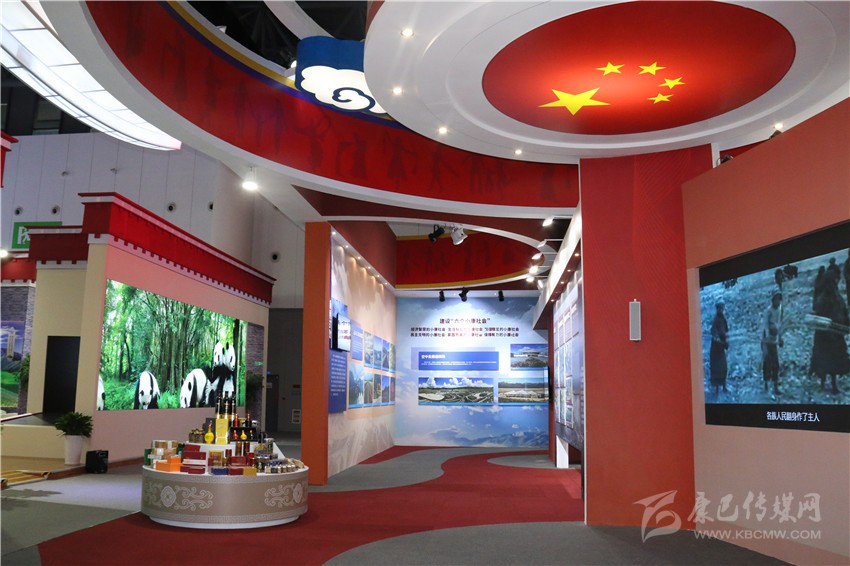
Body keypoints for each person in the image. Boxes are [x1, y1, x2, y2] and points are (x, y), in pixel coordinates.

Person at [810, 269, 850, 394]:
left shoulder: (837, 297)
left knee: (835, 359)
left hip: (837, 334)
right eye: (831, 282)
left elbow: (844, 311)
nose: (833, 285)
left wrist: (846, 323)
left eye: (834, 282)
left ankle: (834, 384)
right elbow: (819, 316)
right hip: (824, 336)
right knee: (824, 359)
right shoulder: (822, 299)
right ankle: (823, 382)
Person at [762, 290, 784, 395]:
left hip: (774, 338)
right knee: (767, 362)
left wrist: (780, 338)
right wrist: (767, 339)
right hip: (767, 339)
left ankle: (775, 386)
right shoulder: (768, 311)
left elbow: (779, 324)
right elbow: (765, 326)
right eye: (776, 299)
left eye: (779, 299)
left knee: (775, 363)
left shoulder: (779, 309)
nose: (778, 301)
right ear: (773, 300)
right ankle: (766, 384)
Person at [709, 301, 729, 393]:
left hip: (721, 346)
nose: (720, 310)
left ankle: (724, 386)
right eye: (719, 308)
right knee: (716, 368)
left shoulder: (723, 319)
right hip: (716, 348)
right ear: (717, 309)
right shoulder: (715, 320)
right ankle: (717, 388)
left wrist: (726, 341)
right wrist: (722, 343)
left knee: (723, 367)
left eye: (722, 308)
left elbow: (726, 331)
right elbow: (714, 335)